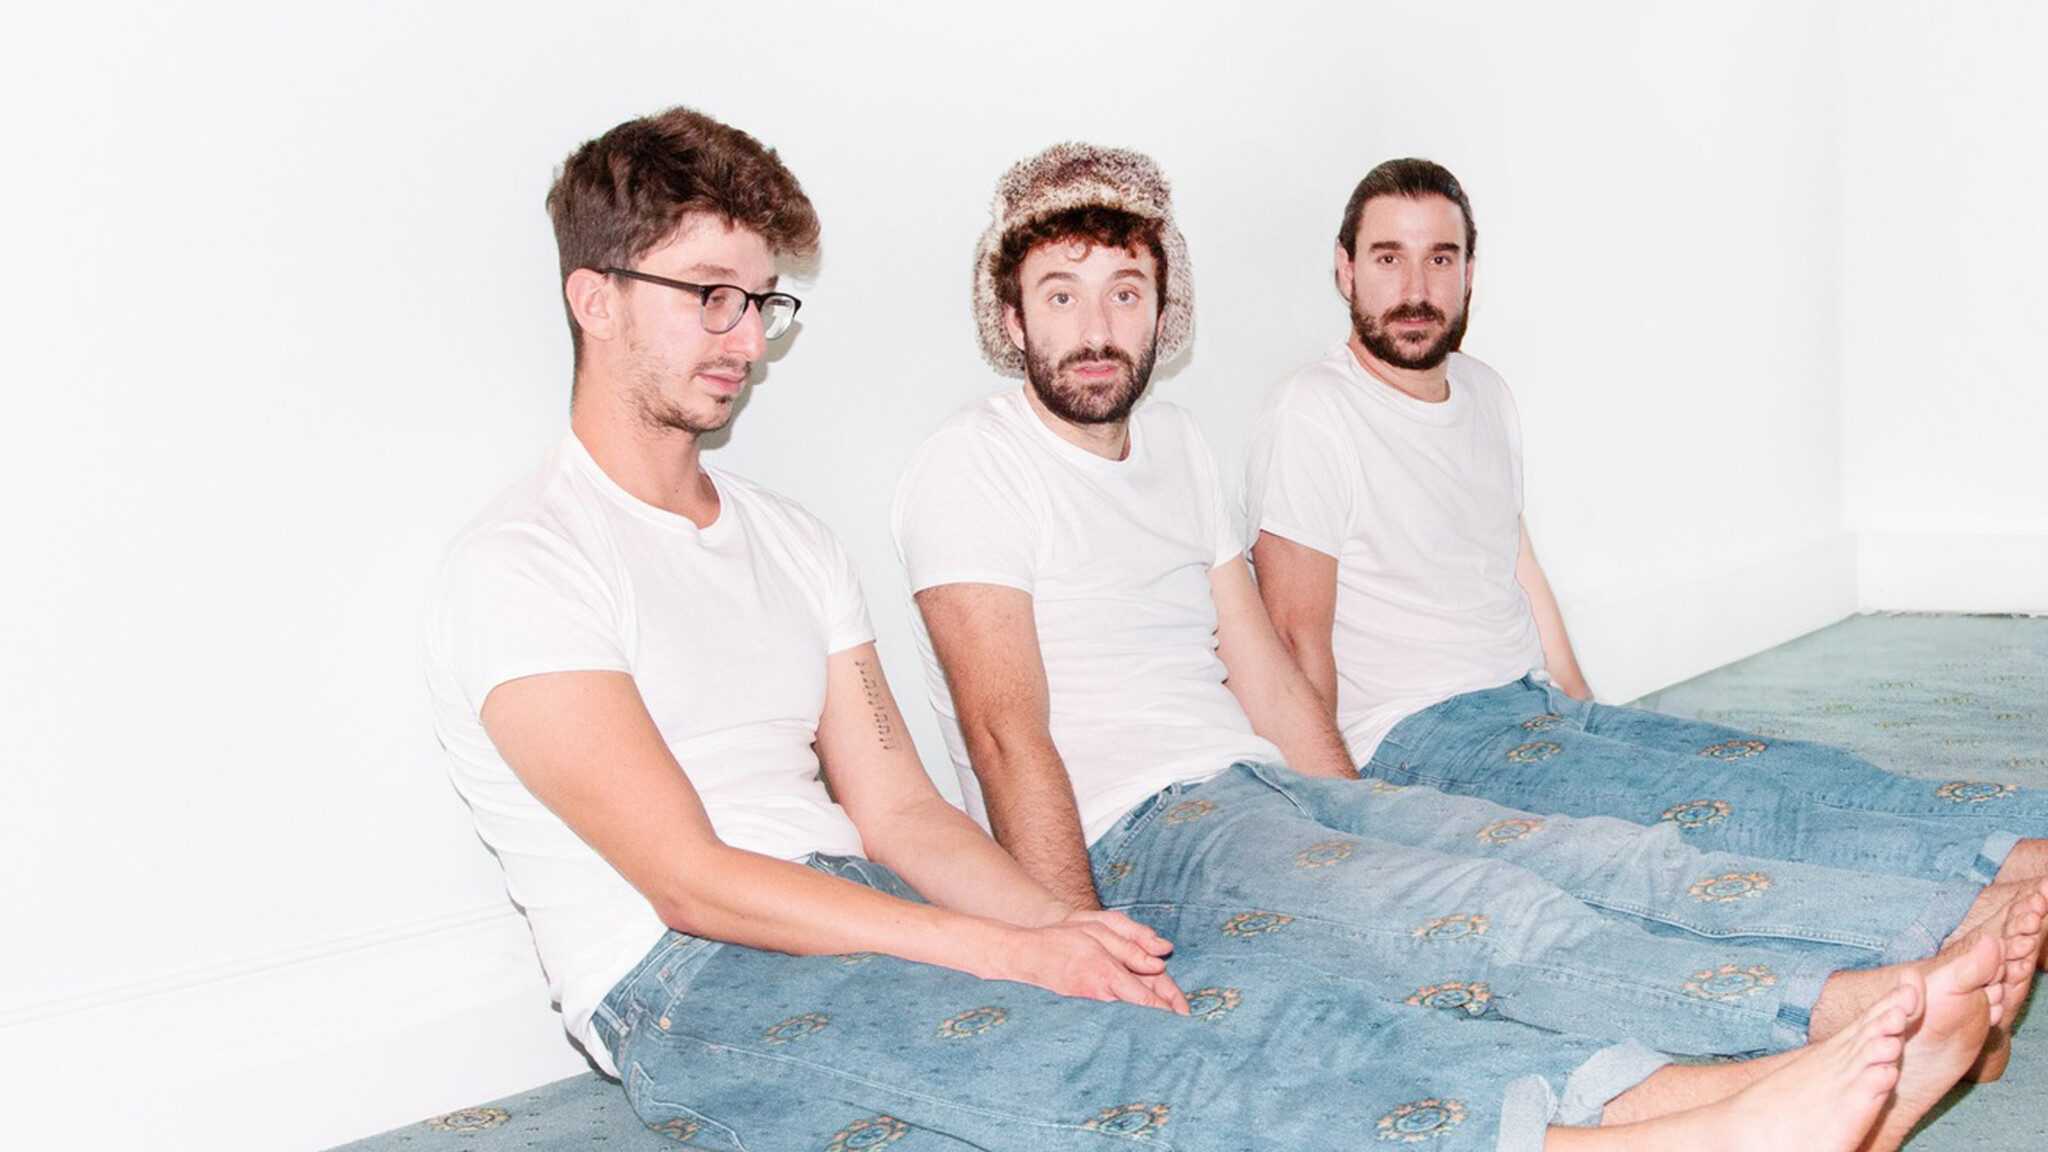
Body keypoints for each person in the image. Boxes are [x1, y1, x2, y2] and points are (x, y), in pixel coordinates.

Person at [422, 108, 2003, 1152]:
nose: (742, 339)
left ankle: (1690, 1100)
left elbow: (897, 806)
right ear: (592, 297)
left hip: (861, 892)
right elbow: (692, 878)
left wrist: (1061, 933)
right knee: (1135, 1077)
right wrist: (1016, 938)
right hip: (691, 984)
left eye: (761, 303)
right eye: (708, 295)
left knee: (1251, 1008)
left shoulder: (782, 538)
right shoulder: (526, 563)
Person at [891, 142, 2047, 1080]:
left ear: (1161, 311)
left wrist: (1358, 812)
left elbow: (1261, 666)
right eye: (1060, 296)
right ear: (1010, 312)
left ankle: (1933, 934)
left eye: (1123, 293)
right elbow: (1003, 735)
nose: (1094, 329)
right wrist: (1068, 945)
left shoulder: (1180, 448)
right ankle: (1844, 1007)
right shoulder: (971, 465)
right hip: (1139, 834)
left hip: (1261, 783)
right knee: (1480, 910)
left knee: (1584, 854)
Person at [1242, 158, 2048, 1072]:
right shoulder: (1313, 412)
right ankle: (1956, 943)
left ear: (1472, 272)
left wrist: (1590, 709)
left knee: (1787, 769)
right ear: (1345, 270)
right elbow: (1294, 639)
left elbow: (1514, 563)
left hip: (1532, 707)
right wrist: (1353, 820)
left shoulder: (1486, 394)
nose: (1416, 288)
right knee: (1733, 822)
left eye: (1442, 258)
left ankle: (2019, 854)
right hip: (1422, 742)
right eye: (1388, 259)